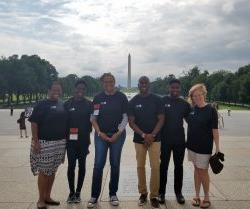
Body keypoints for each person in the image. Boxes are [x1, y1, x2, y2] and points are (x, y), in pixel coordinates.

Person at [87, 73, 128, 208]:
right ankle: (94, 195)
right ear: (102, 83)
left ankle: (112, 194)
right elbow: (93, 118)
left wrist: (118, 133)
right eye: (105, 81)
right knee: (98, 165)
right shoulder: (98, 98)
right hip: (101, 136)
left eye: (110, 81)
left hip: (118, 135)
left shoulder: (121, 97)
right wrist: (99, 133)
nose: (108, 83)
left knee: (115, 164)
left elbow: (125, 117)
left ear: (114, 82)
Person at [29, 81, 68, 209]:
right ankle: (40, 199)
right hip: (44, 142)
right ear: (49, 90)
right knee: (44, 172)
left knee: (52, 171)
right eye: (54, 90)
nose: (56, 92)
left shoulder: (62, 105)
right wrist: (36, 141)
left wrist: (64, 147)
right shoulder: (41, 104)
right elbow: (34, 123)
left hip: (59, 143)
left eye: (59, 90)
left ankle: (47, 196)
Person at [128, 76, 165, 209]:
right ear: (138, 85)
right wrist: (144, 135)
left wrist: (152, 135)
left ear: (149, 85)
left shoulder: (157, 100)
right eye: (141, 83)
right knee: (140, 166)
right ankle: (143, 193)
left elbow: (161, 119)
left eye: (146, 82)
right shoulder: (133, 101)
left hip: (155, 139)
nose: (143, 84)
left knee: (155, 167)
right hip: (139, 139)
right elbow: (131, 122)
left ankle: (154, 195)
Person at [186, 84, 221, 209]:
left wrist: (217, 148)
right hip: (191, 146)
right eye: (195, 96)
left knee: (203, 172)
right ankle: (196, 195)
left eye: (200, 94)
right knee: (196, 170)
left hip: (204, 147)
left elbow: (215, 130)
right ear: (192, 97)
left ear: (204, 94)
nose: (197, 97)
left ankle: (206, 197)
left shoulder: (211, 110)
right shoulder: (191, 109)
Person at [159, 79, 191, 205]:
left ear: (180, 88)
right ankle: (161, 193)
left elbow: (191, 121)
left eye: (177, 88)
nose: (175, 90)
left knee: (179, 167)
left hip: (179, 140)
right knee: (163, 167)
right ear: (169, 88)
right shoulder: (162, 101)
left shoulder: (184, 104)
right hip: (165, 139)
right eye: (173, 87)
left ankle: (178, 193)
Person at [64, 80, 93, 203]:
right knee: (71, 166)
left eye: (83, 89)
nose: (80, 91)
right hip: (70, 141)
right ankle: (71, 192)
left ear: (85, 90)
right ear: (74, 89)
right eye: (78, 88)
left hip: (83, 141)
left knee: (82, 166)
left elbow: (94, 120)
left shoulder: (89, 104)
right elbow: (62, 123)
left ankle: (78, 192)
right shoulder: (67, 104)